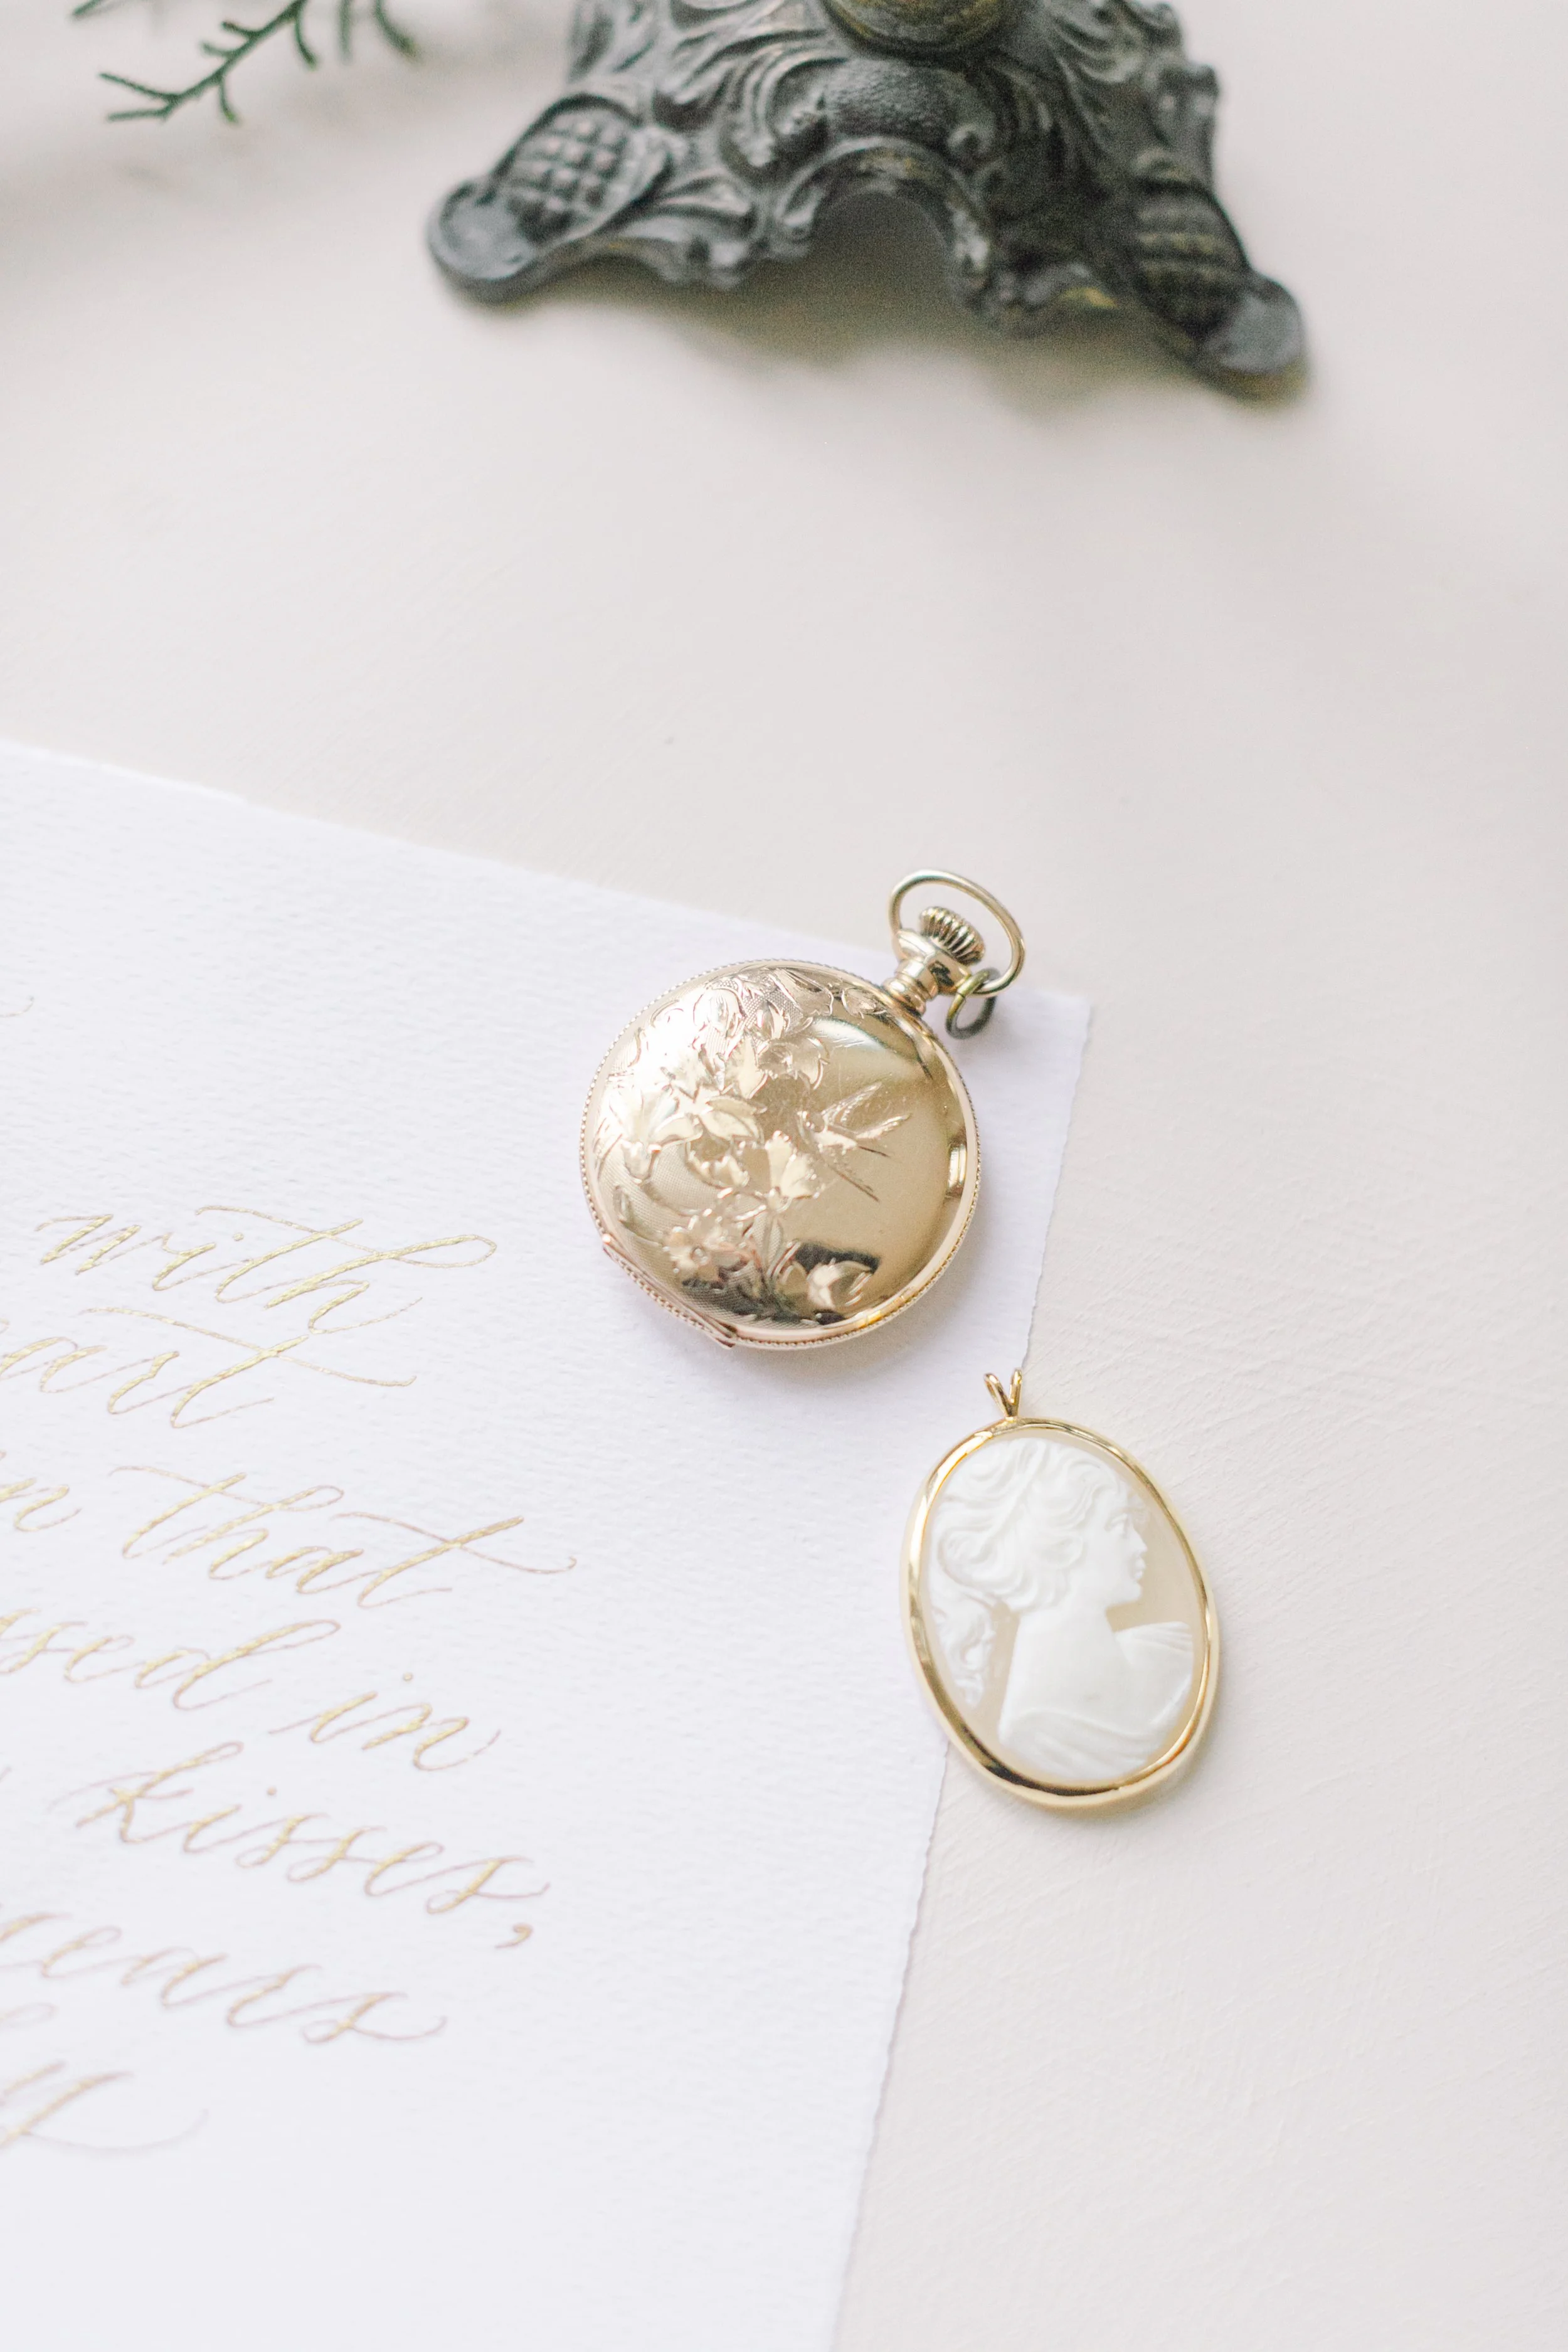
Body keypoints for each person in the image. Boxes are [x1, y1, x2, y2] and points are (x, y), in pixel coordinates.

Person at [927, 1436, 1192, 1783]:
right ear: (1056, 1550)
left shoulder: (1172, 1650)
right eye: (1117, 1526)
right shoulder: (1032, 1735)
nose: (1139, 1546)